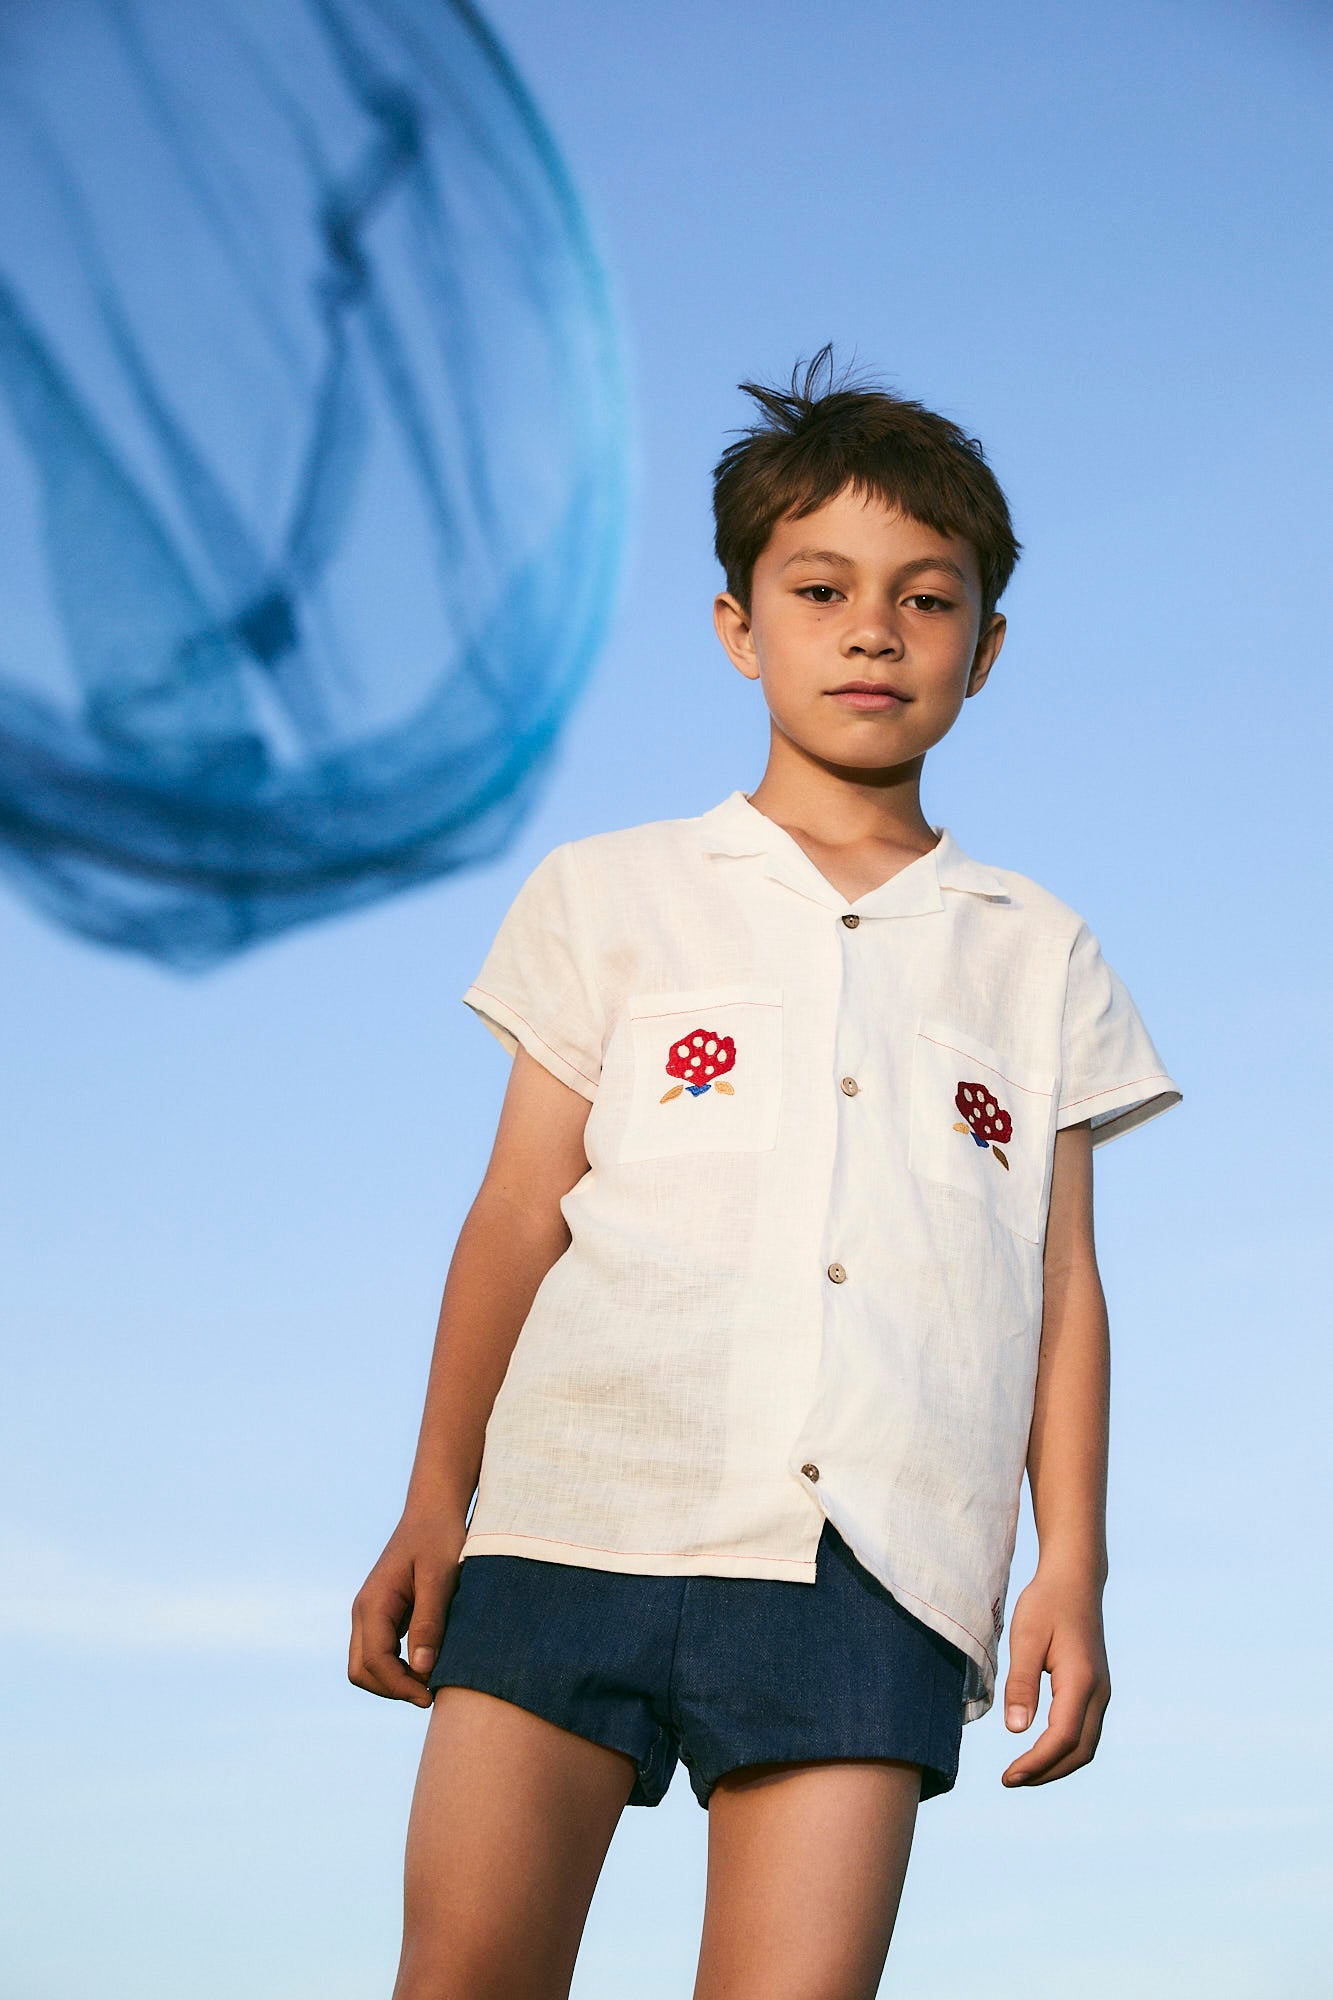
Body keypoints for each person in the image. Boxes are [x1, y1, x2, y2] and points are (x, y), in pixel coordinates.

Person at [349, 343, 1183, 2000]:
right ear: (739, 627)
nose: (873, 629)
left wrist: (1070, 1568)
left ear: (984, 649)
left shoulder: (1038, 950)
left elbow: (1059, 1282)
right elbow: (517, 1216)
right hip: (574, 1518)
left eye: (925, 598)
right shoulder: (610, 893)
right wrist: (436, 1494)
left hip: (872, 1563)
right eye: (819, 588)